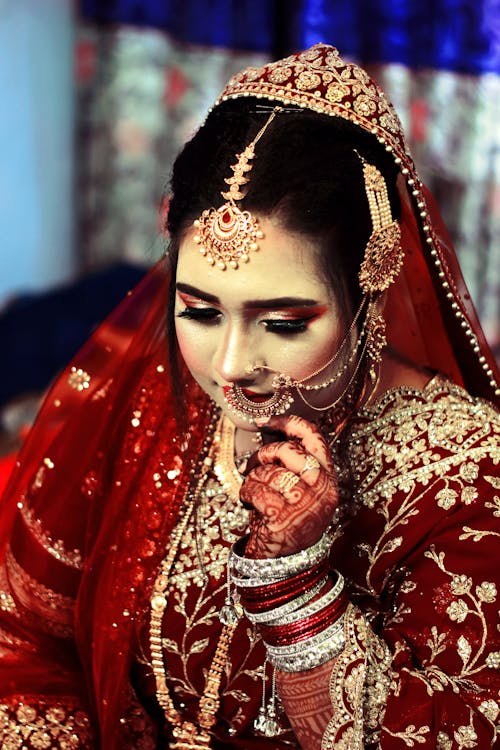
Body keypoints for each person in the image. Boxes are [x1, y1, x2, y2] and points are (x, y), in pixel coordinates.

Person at [0, 43, 499, 750]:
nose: (231, 367)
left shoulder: (464, 473)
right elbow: (26, 632)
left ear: (372, 283)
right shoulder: (151, 398)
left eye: (284, 322)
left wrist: (295, 590)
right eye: (200, 311)